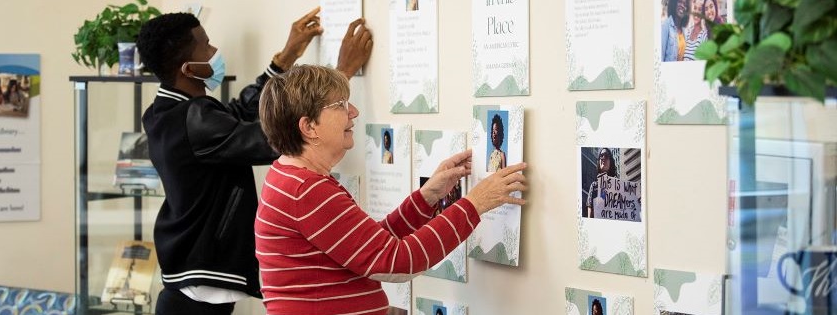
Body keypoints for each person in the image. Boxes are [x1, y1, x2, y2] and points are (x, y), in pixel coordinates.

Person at [136, 8, 372, 315]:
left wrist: (284, 58)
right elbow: (278, 136)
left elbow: (237, 115)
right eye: (206, 46)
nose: (215, 52)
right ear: (188, 68)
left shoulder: (168, 112)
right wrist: (339, 76)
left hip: (188, 286)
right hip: (196, 296)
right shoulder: (193, 121)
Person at [256, 65, 528, 314]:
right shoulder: (306, 190)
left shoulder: (291, 179)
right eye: (340, 104)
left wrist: (426, 198)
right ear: (309, 127)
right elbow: (397, 261)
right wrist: (474, 204)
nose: (353, 112)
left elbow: (370, 247)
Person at [584, 148, 618, 218]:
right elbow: (590, 215)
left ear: (611, 162)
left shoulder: (619, 185)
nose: (603, 158)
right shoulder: (594, 185)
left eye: (606, 156)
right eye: (601, 156)